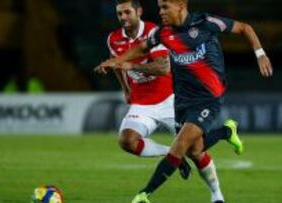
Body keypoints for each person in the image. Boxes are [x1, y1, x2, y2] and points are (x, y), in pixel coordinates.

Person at [97, 0, 273, 202]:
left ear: (181, 5)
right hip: (182, 98)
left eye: (165, 8)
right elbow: (141, 48)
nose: (160, 12)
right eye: (160, 7)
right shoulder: (163, 33)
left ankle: (145, 194)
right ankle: (226, 133)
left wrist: (260, 54)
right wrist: (117, 62)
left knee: (180, 145)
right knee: (195, 150)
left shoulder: (205, 22)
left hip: (208, 96)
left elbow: (244, 28)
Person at [105, 0, 191, 179]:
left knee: (195, 147)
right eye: (120, 14)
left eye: (127, 12)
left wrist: (131, 66)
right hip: (141, 102)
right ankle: (172, 153)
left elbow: (162, 68)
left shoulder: (154, 32)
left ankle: (226, 133)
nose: (123, 17)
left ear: (139, 12)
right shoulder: (113, 38)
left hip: (169, 98)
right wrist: (125, 89)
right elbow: (116, 64)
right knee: (127, 141)